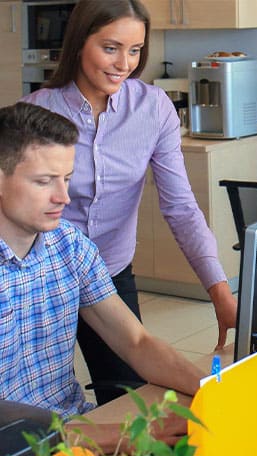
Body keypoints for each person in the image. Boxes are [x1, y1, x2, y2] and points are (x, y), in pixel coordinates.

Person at [21, 0, 236, 405]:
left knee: (129, 397)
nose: (124, 64)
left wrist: (221, 293)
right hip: (40, 279)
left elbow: (181, 208)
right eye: (111, 48)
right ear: (79, 42)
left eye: (135, 50)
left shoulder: (152, 109)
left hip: (109, 273)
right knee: (39, 398)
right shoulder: (36, 114)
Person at [0, 102, 205, 430]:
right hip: (20, 449)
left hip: (73, 428)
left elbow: (136, 343)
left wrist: (212, 393)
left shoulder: (70, 245)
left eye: (67, 179)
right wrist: (103, 437)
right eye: (44, 182)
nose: (63, 197)